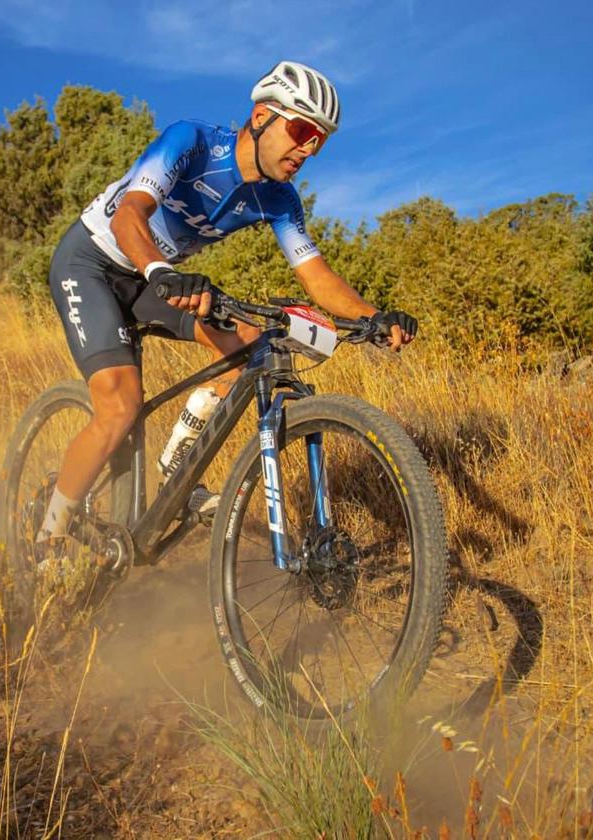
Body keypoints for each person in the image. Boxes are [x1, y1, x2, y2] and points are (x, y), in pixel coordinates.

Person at [38, 60, 418, 549]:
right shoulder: (191, 142)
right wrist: (162, 272)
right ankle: (47, 537)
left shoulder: (279, 199)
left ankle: (177, 462)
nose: (308, 149)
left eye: (319, 141)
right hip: (94, 260)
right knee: (119, 407)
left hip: (157, 276)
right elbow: (130, 215)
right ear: (261, 116)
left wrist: (374, 317)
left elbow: (316, 277)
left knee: (250, 345)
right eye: (302, 130)